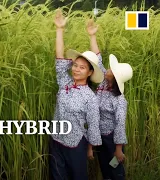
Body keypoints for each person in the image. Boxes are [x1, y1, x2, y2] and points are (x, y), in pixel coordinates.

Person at [49, 9, 104, 180]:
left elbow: (94, 125)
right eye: (75, 65)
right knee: (58, 176)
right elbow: (59, 58)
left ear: (89, 73)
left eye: (82, 67)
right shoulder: (65, 83)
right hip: (56, 139)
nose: (76, 69)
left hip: (75, 144)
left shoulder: (90, 97)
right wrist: (59, 29)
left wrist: (89, 148)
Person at [86, 19, 133, 180]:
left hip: (113, 140)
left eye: (112, 70)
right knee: (105, 169)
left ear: (116, 77)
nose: (108, 69)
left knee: (116, 169)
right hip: (100, 137)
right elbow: (97, 60)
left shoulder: (119, 100)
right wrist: (92, 36)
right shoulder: (103, 82)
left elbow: (120, 124)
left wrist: (119, 149)